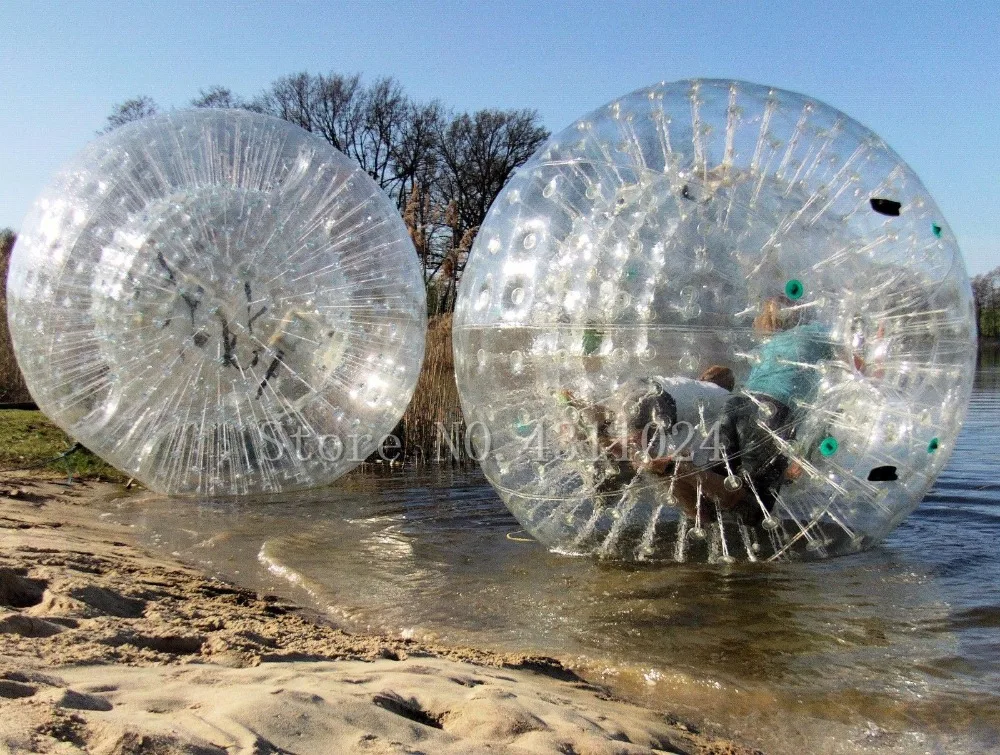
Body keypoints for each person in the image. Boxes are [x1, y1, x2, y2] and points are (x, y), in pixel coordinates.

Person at [715, 296, 837, 524]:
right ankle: (745, 555)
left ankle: (706, 546)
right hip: (771, 411)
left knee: (720, 484)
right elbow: (858, 366)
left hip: (737, 405)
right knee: (755, 502)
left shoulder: (771, 343)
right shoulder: (817, 332)